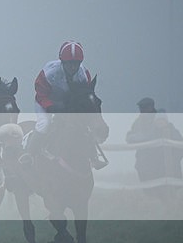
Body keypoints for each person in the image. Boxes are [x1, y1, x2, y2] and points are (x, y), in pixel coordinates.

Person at [21, 41, 108, 169]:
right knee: (44, 124)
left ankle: (94, 157)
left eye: (76, 64)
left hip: (68, 104)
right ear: (62, 61)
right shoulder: (49, 73)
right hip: (45, 101)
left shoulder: (84, 74)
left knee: (83, 126)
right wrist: (51, 106)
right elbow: (40, 94)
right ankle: (29, 154)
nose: (73, 67)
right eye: (69, 64)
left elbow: (86, 95)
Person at [126, 98, 183, 197]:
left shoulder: (160, 118)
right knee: (148, 185)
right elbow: (130, 137)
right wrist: (139, 138)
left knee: (165, 186)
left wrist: (174, 156)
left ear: (151, 107)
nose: (142, 110)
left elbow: (177, 141)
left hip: (162, 162)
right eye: (141, 107)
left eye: (144, 107)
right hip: (143, 160)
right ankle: (153, 203)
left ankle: (169, 203)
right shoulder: (138, 122)